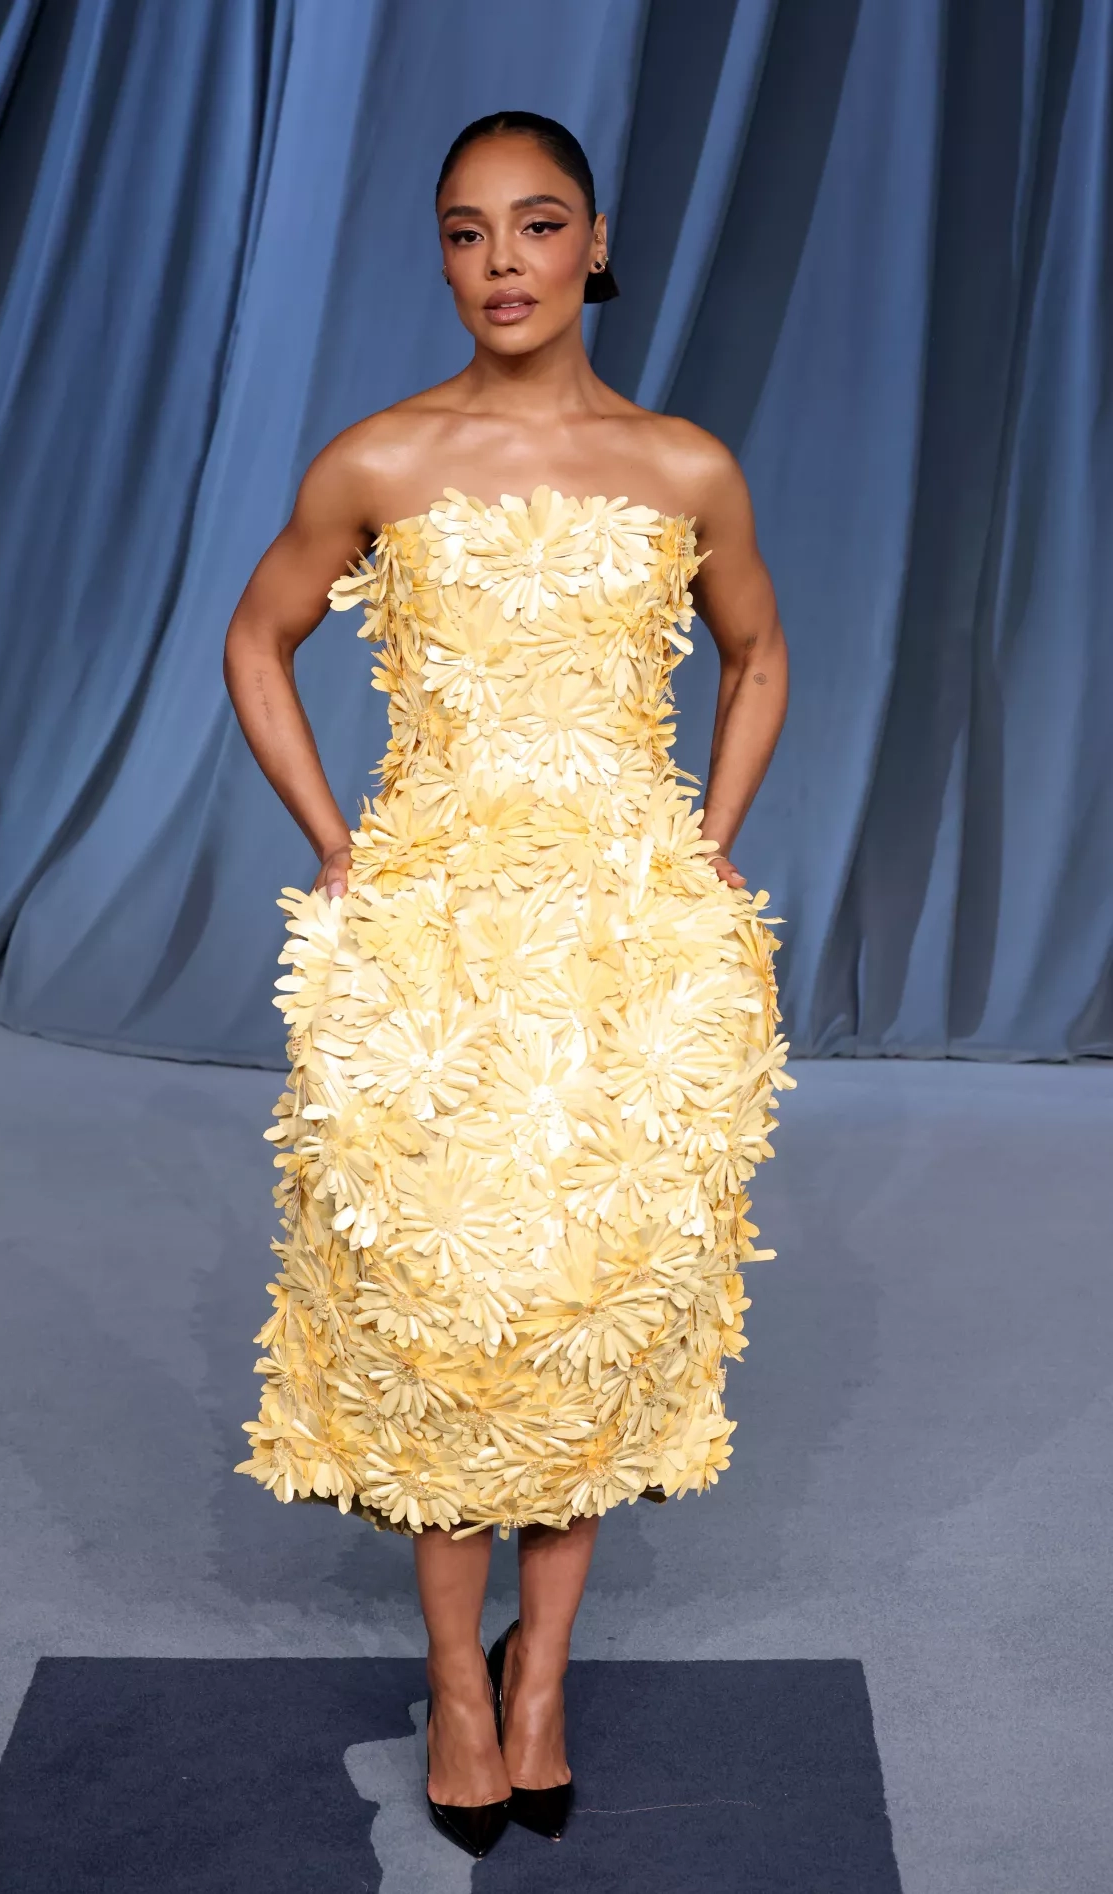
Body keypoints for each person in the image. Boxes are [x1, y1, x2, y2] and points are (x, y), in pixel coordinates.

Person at [223, 110, 792, 1860]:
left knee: (579, 1309)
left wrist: (704, 849)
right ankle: (452, 1686)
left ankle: (537, 1674)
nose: (503, 262)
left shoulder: (683, 467)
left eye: (538, 226)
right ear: (445, 256)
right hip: (433, 958)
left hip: (625, 959)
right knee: (447, 1319)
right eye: (468, 232)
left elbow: (759, 653)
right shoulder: (383, 459)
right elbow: (259, 634)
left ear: (594, 244)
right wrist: (338, 843)